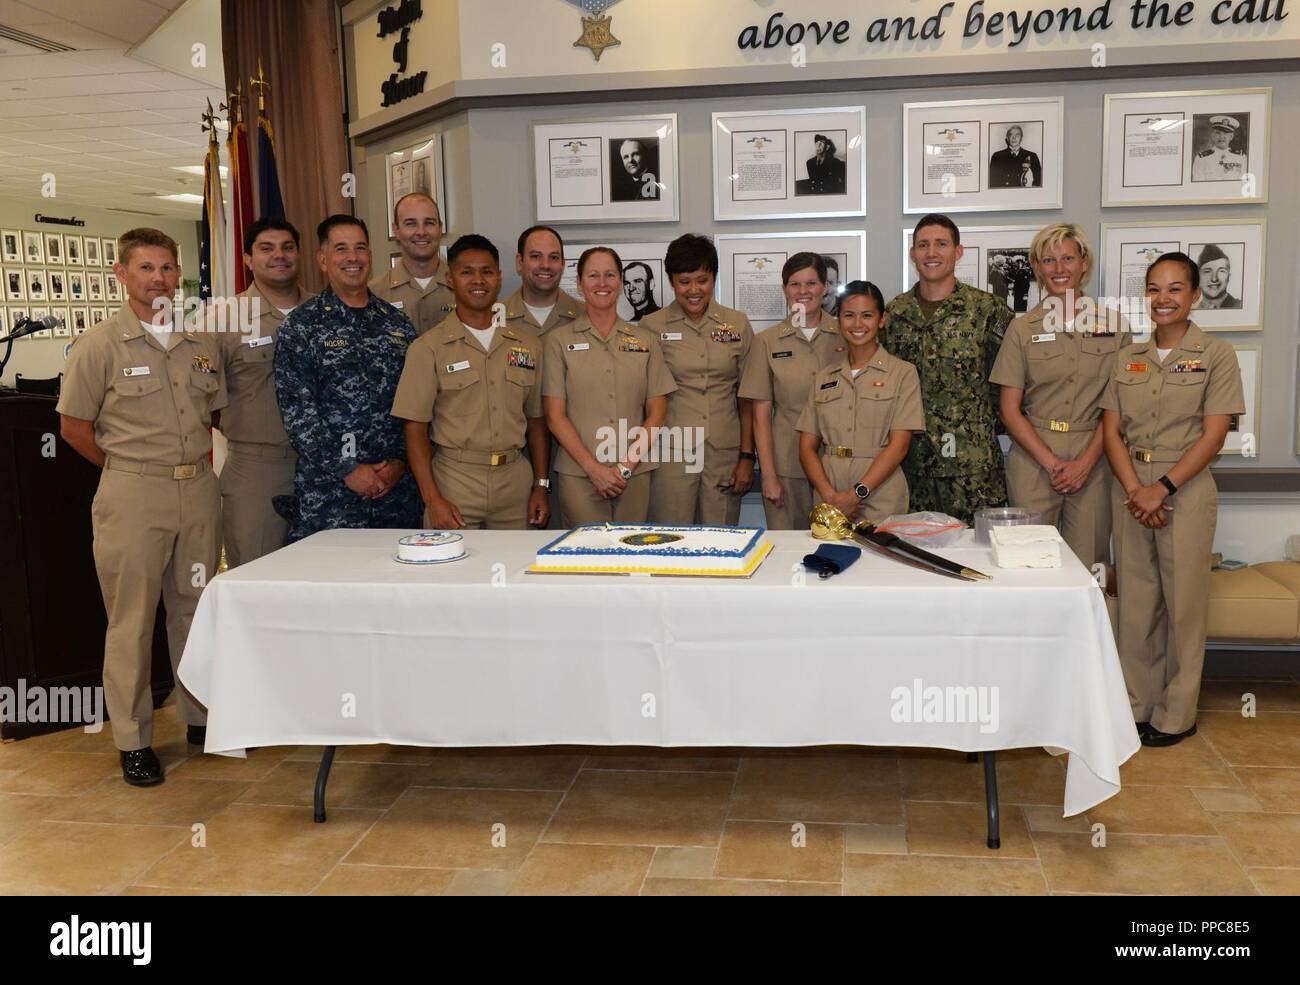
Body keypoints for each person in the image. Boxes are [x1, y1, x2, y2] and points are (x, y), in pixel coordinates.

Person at [56, 228, 225, 786]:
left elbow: (212, 418)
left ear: (179, 276)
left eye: (167, 269)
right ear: (122, 275)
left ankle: (200, 718)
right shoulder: (99, 345)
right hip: (133, 495)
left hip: (198, 490)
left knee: (195, 608)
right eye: (146, 268)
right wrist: (130, 472)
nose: (158, 279)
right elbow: (74, 429)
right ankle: (133, 739)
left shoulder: (199, 347)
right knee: (131, 620)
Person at [1101, 252, 1244, 747]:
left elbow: (1214, 435)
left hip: (1184, 488)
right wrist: (1136, 489)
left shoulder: (1217, 354)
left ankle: (1176, 713)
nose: (1163, 299)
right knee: (1136, 603)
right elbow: (1111, 432)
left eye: (1175, 289)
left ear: (1195, 295)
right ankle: (1136, 704)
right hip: (1130, 487)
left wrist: (1160, 489)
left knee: (1183, 603)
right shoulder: (1127, 357)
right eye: (1155, 289)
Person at [990, 223, 1129, 571]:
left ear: (1085, 263)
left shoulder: (1114, 326)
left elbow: (1118, 407)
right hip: (1034, 459)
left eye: (1068, 258)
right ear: (1036, 268)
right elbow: (1009, 410)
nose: (1059, 269)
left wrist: (1083, 465)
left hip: (1094, 457)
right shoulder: (1022, 329)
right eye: (1048, 260)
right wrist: (1053, 464)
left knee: (1090, 568)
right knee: (1029, 565)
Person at [274, 215, 421, 541]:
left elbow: (416, 403)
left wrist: (400, 462)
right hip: (331, 496)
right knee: (329, 589)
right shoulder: (302, 326)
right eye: (341, 249)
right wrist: (349, 470)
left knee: (400, 586)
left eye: (360, 248)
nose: (353, 258)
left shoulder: (397, 324)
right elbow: (298, 413)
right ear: (323, 259)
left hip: (396, 494)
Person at [391, 234, 550, 530]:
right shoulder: (428, 348)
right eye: (467, 272)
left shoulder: (527, 346)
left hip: (514, 482)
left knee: (514, 571)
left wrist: (541, 485)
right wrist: (432, 499)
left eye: (487, 271)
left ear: (499, 278)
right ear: (450, 279)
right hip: (455, 482)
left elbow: (537, 421)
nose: (478, 280)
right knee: (454, 572)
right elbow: (415, 429)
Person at [887, 214, 1013, 522]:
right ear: (912, 254)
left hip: (974, 469)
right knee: (913, 558)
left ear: (958, 252)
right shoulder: (893, 313)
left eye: (941, 244)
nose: (931, 253)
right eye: (923, 245)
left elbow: (1010, 384)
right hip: (910, 467)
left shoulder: (989, 311)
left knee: (980, 556)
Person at [543, 247, 676, 524]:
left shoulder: (645, 341)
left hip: (634, 474)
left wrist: (625, 468)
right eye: (593, 275)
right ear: (579, 283)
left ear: (620, 282)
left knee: (631, 556)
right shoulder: (557, 342)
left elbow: (658, 413)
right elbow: (555, 417)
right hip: (580, 476)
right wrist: (594, 470)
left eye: (610, 275)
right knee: (584, 561)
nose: (602, 283)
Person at [210, 217, 308, 568]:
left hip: (327, 469)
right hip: (258, 471)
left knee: (326, 576)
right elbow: (205, 401)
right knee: (257, 576)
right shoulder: (222, 319)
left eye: (287, 247)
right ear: (248, 259)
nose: (279, 255)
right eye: (266, 248)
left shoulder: (324, 311)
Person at [640, 234, 755, 525]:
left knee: (720, 541)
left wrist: (746, 457)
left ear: (714, 278)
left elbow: (748, 397)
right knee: (670, 539)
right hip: (671, 451)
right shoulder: (651, 327)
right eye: (684, 281)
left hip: (723, 452)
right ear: (671, 281)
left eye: (702, 280)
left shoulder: (737, 323)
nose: (694, 290)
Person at [797, 281, 924, 524]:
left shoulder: (902, 373)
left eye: (867, 315)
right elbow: (806, 447)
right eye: (849, 316)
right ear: (838, 321)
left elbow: (899, 446)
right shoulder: (824, 377)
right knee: (828, 559)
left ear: (881, 319)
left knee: (880, 560)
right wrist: (830, 497)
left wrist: (856, 495)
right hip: (829, 494)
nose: (857, 324)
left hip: (881, 493)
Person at [739, 252, 845, 529]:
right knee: (790, 557)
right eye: (794, 284)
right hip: (787, 468)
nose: (803, 292)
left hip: (838, 465)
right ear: (784, 289)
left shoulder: (847, 335)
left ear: (825, 287)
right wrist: (769, 476)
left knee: (839, 551)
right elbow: (761, 416)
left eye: (811, 283)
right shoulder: (766, 342)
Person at [368, 192, 454, 335]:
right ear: (396, 230)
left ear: (440, 228)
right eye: (411, 224)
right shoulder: (373, 294)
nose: (421, 232)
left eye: (429, 223)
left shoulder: (465, 289)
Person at [502, 225, 583, 335]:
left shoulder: (587, 316)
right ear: (520, 262)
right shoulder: (493, 318)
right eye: (535, 256)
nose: (545, 265)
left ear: (563, 264)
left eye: (554, 257)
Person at [1191, 115, 1246, 181]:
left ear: (1231, 136)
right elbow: (1198, 185)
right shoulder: (1201, 158)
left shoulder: (1241, 157)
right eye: (1218, 133)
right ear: (1212, 135)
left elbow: (1243, 183)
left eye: (1225, 133)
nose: (1221, 137)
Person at [1192, 243, 1241, 310]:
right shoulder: (1191, 309)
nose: (1214, 279)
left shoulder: (1238, 306)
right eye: (1207, 271)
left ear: (1229, 277)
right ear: (1198, 277)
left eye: (1221, 271)